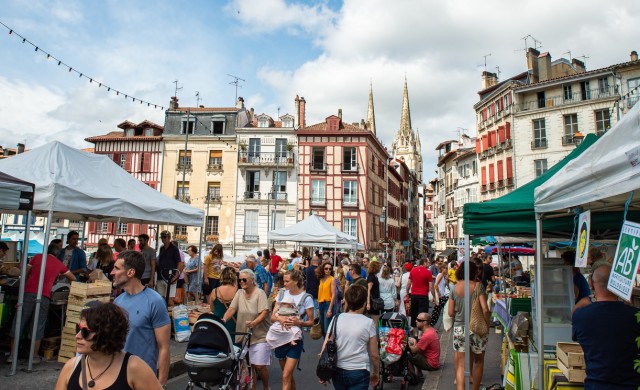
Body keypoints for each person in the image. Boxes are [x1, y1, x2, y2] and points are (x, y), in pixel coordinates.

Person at [54, 302, 162, 390]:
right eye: (78, 329)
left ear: (106, 333)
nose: (78, 336)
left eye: (85, 332)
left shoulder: (134, 367)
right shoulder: (71, 367)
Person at [572, 265, 640, 389]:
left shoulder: (581, 316)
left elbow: (577, 337)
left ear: (591, 284)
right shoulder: (635, 315)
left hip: (595, 384)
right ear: (617, 283)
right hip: (631, 385)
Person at [111, 251, 171, 386]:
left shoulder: (155, 301)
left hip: (143, 378)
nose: (112, 272)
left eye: (117, 268)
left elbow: (164, 348)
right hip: (118, 376)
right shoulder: (117, 302)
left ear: (130, 272)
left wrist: (161, 385)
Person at [9, 243, 75, 363]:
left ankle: (12, 355)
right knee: (38, 325)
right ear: (58, 254)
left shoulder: (37, 257)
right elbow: (73, 278)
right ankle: (34, 356)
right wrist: (58, 276)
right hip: (44, 295)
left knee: (20, 321)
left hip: (28, 293)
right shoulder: (59, 264)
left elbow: (26, 271)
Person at [321, 284, 379, 389]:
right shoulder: (368, 323)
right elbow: (374, 355)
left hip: (338, 369)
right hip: (360, 370)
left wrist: (323, 371)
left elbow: (325, 346)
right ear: (364, 302)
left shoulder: (336, 318)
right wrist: (376, 372)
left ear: (346, 301)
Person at [222, 269, 271, 390]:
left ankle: (266, 387)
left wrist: (254, 322)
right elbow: (232, 309)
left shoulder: (260, 293)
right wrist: (223, 320)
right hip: (245, 335)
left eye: (244, 280)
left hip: (260, 335)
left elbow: (264, 312)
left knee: (259, 366)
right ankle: (252, 387)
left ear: (252, 280)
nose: (241, 282)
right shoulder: (239, 293)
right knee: (251, 365)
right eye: (240, 280)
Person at [270, 269, 315, 390]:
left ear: (295, 281)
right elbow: (273, 317)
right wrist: (281, 320)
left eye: (286, 281)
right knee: (288, 376)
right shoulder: (282, 294)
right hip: (279, 338)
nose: (284, 284)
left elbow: (311, 322)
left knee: (285, 375)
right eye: (283, 281)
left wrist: (298, 322)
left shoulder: (306, 298)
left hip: (295, 340)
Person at [448, 261, 490, 390]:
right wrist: (487, 324)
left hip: (460, 328)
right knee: (478, 361)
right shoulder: (478, 287)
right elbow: (485, 309)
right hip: (476, 328)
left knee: (461, 364)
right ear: (474, 272)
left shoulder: (455, 288)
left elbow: (450, 313)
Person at [407, 312, 440, 382]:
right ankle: (419, 373)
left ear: (424, 322)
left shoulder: (427, 335)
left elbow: (414, 350)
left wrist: (405, 345)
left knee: (407, 355)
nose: (416, 321)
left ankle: (413, 378)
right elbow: (419, 346)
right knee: (416, 350)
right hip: (433, 360)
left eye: (418, 320)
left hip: (431, 363)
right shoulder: (431, 330)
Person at [156, 231, 183, 301]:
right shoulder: (161, 248)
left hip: (170, 277)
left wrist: (176, 276)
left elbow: (180, 263)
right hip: (161, 276)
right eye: (161, 237)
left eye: (164, 237)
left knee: (169, 299)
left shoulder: (174, 248)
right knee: (160, 299)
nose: (162, 239)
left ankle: (170, 311)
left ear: (169, 238)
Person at [407, 258, 434, 329]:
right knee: (423, 315)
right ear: (424, 263)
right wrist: (434, 296)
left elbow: (409, 283)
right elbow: (431, 287)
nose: (429, 264)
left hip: (414, 295)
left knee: (414, 313)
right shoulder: (428, 272)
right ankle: (420, 333)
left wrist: (407, 292)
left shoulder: (413, 270)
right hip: (423, 296)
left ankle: (415, 332)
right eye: (428, 263)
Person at [210, 267, 238, 337]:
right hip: (234, 326)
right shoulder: (238, 291)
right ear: (234, 277)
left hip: (218, 324)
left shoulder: (215, 291)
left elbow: (212, 309)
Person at [317, 261, 336, 335]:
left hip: (328, 304)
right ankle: (326, 344)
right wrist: (318, 307)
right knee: (322, 328)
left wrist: (330, 309)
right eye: (326, 268)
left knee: (327, 328)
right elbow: (320, 293)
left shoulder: (332, 279)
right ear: (323, 269)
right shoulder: (321, 279)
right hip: (321, 304)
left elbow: (333, 295)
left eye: (330, 269)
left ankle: (328, 345)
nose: (328, 270)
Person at [366, 261, 382, 325]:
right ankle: (374, 334)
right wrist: (368, 303)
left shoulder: (374, 276)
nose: (380, 268)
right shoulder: (371, 277)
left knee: (375, 320)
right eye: (379, 267)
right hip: (373, 301)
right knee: (375, 321)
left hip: (375, 300)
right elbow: (368, 290)